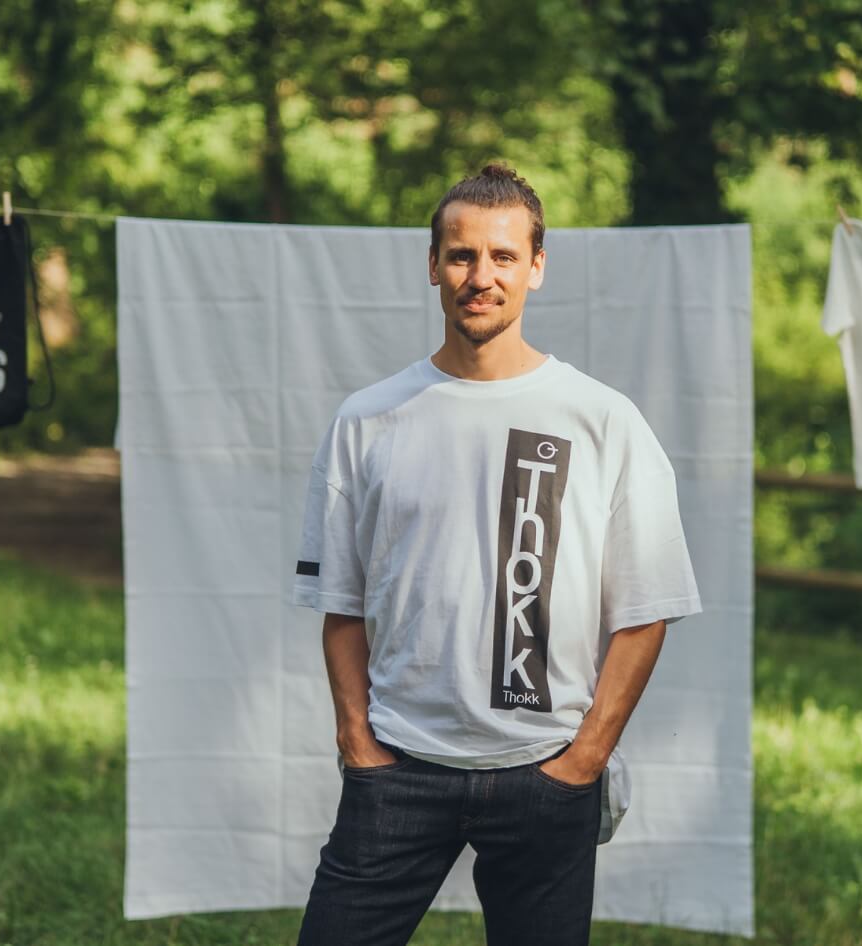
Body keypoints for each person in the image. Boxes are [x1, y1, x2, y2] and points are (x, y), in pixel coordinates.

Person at [291, 164, 702, 946]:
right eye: (461, 255)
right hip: (399, 768)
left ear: (535, 267)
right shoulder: (367, 420)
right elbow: (340, 603)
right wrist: (357, 741)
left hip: (544, 770)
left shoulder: (601, 420)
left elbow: (646, 610)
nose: (480, 276)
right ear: (433, 265)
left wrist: (583, 759)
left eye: (503, 256)